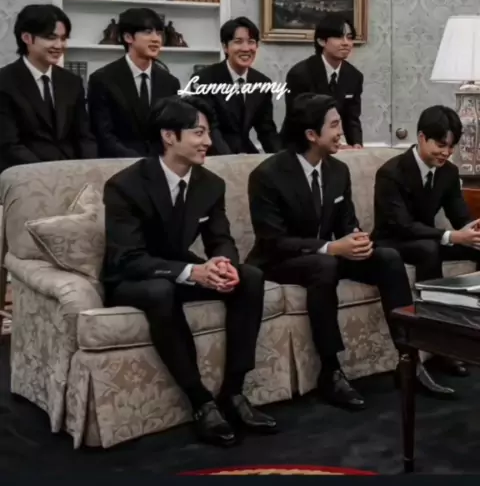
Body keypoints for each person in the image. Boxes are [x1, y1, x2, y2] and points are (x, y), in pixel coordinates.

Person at [102, 94, 277, 445]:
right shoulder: (125, 186)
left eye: (208, 132)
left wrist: (223, 263)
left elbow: (220, 239)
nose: (208, 141)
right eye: (199, 133)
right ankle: (201, 402)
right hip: (134, 277)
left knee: (249, 277)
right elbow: (129, 258)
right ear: (169, 136)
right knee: (161, 290)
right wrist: (192, 272)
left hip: (180, 270)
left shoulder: (210, 184)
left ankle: (233, 393)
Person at [246, 93, 433, 410]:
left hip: (327, 255)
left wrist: (357, 240)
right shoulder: (267, 175)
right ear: (311, 134)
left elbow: (347, 223)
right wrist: (332, 247)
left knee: (387, 257)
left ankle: (408, 360)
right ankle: (330, 371)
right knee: (325, 266)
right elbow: (273, 241)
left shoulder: (338, 171)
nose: (341, 132)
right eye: (334, 125)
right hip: (280, 260)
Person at [373, 105, 480, 392]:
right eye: (440, 145)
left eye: (451, 147)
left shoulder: (448, 172)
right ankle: (433, 348)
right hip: (392, 242)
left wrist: (473, 230)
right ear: (421, 137)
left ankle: (468, 337)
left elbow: (460, 217)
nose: (446, 153)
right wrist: (451, 236)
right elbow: (403, 226)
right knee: (429, 249)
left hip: (428, 240)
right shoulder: (391, 172)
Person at [0, 4, 97, 172]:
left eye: (63, 38)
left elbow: (84, 136)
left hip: (73, 172)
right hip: (26, 174)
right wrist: (49, 174)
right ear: (27, 38)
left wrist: (87, 169)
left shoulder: (72, 82)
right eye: (51, 37)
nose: (59, 45)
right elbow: (8, 145)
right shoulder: (4, 81)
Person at [88, 8, 180, 158]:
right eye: (148, 32)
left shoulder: (170, 82)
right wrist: (136, 161)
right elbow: (103, 134)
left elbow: (172, 130)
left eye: (159, 33)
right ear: (128, 37)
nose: (156, 39)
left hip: (160, 162)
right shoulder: (102, 79)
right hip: (119, 162)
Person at [188, 17, 282, 155]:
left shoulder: (263, 83)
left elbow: (266, 129)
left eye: (251, 42)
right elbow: (212, 128)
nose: (246, 48)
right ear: (225, 47)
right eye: (238, 42)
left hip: (246, 151)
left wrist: (282, 158)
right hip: (212, 153)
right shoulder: (203, 80)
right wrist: (230, 160)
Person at [282, 13, 363, 148]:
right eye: (339, 37)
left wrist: (356, 144)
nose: (346, 43)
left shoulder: (354, 76)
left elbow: (352, 118)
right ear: (321, 41)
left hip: (337, 147)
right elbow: (299, 121)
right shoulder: (300, 74)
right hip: (302, 146)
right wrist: (336, 145)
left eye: (349, 38)